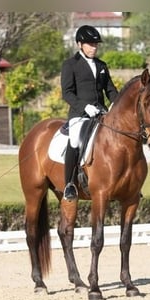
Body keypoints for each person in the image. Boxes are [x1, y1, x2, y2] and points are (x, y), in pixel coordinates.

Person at [60, 25, 118, 201]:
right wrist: (85, 107)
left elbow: (110, 90)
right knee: (75, 139)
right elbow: (67, 93)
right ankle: (69, 184)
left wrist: (117, 103)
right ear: (80, 44)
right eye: (90, 44)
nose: (94, 48)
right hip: (80, 114)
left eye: (96, 45)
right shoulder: (70, 65)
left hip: (101, 113)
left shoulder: (102, 65)